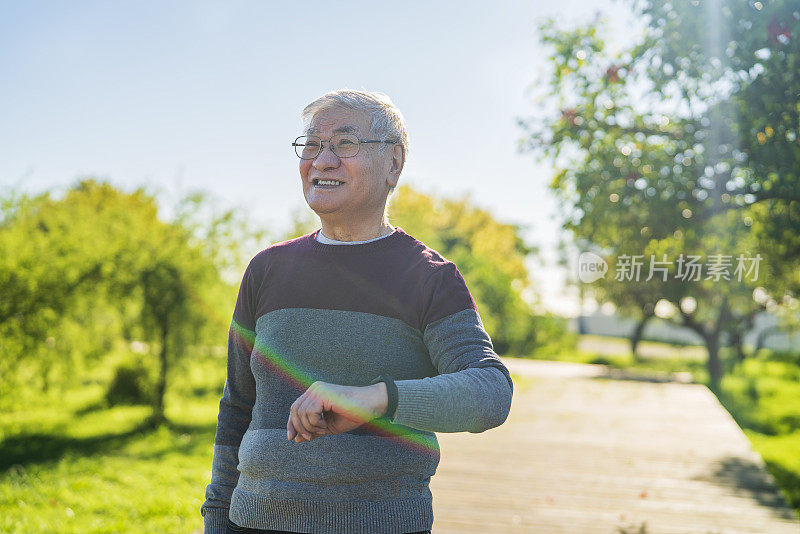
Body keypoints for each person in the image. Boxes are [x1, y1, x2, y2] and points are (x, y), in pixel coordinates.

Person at [200, 89, 514, 534]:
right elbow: (237, 408)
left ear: (394, 163)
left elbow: (491, 392)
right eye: (311, 145)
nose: (322, 160)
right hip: (253, 520)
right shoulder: (266, 270)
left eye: (345, 144)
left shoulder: (429, 277)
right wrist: (216, 518)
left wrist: (374, 399)